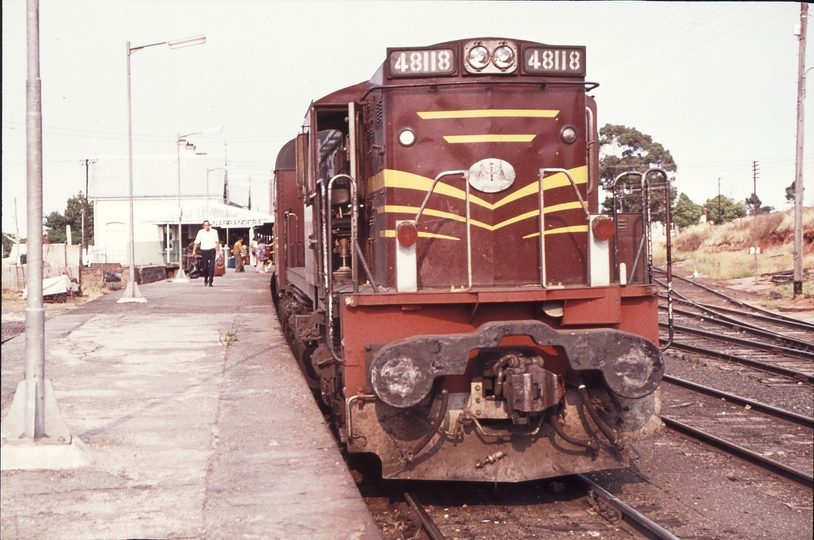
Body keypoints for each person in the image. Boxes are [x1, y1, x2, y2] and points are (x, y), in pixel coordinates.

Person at [192, 220, 221, 287]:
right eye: (205, 225)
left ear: (210, 225)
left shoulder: (214, 232)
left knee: (211, 266)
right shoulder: (200, 232)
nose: (207, 227)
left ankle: (211, 280)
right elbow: (196, 242)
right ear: (203, 226)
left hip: (212, 250)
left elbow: (217, 242)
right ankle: (205, 278)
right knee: (204, 267)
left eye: (208, 225)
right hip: (204, 250)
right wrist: (194, 251)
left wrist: (219, 252)